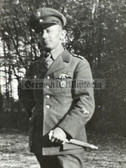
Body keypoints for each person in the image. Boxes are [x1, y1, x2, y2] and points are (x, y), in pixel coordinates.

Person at [18, 7, 95, 168]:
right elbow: (24, 91)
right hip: (42, 140)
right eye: (40, 32)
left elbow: (85, 102)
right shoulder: (35, 66)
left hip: (68, 143)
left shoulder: (77, 64)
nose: (44, 36)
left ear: (62, 35)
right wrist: (35, 111)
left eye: (48, 30)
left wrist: (64, 129)